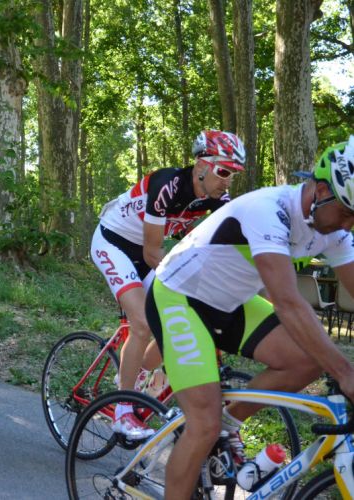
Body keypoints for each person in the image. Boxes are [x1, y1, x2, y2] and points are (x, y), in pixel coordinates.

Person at [145, 136, 354, 498]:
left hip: (230, 302)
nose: (349, 226)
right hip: (179, 296)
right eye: (348, 214)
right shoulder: (268, 209)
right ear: (321, 191)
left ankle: (228, 423)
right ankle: (208, 431)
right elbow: (288, 302)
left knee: (307, 359)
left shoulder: (333, 229)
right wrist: (346, 372)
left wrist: (337, 366)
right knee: (203, 424)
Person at [91, 130, 246, 438]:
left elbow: (235, 242)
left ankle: (135, 374)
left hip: (144, 251)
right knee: (141, 324)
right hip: (114, 243)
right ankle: (122, 411)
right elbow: (152, 254)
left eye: (233, 174)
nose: (227, 181)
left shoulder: (218, 198)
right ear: (201, 166)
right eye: (223, 172)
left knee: (181, 317)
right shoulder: (167, 184)